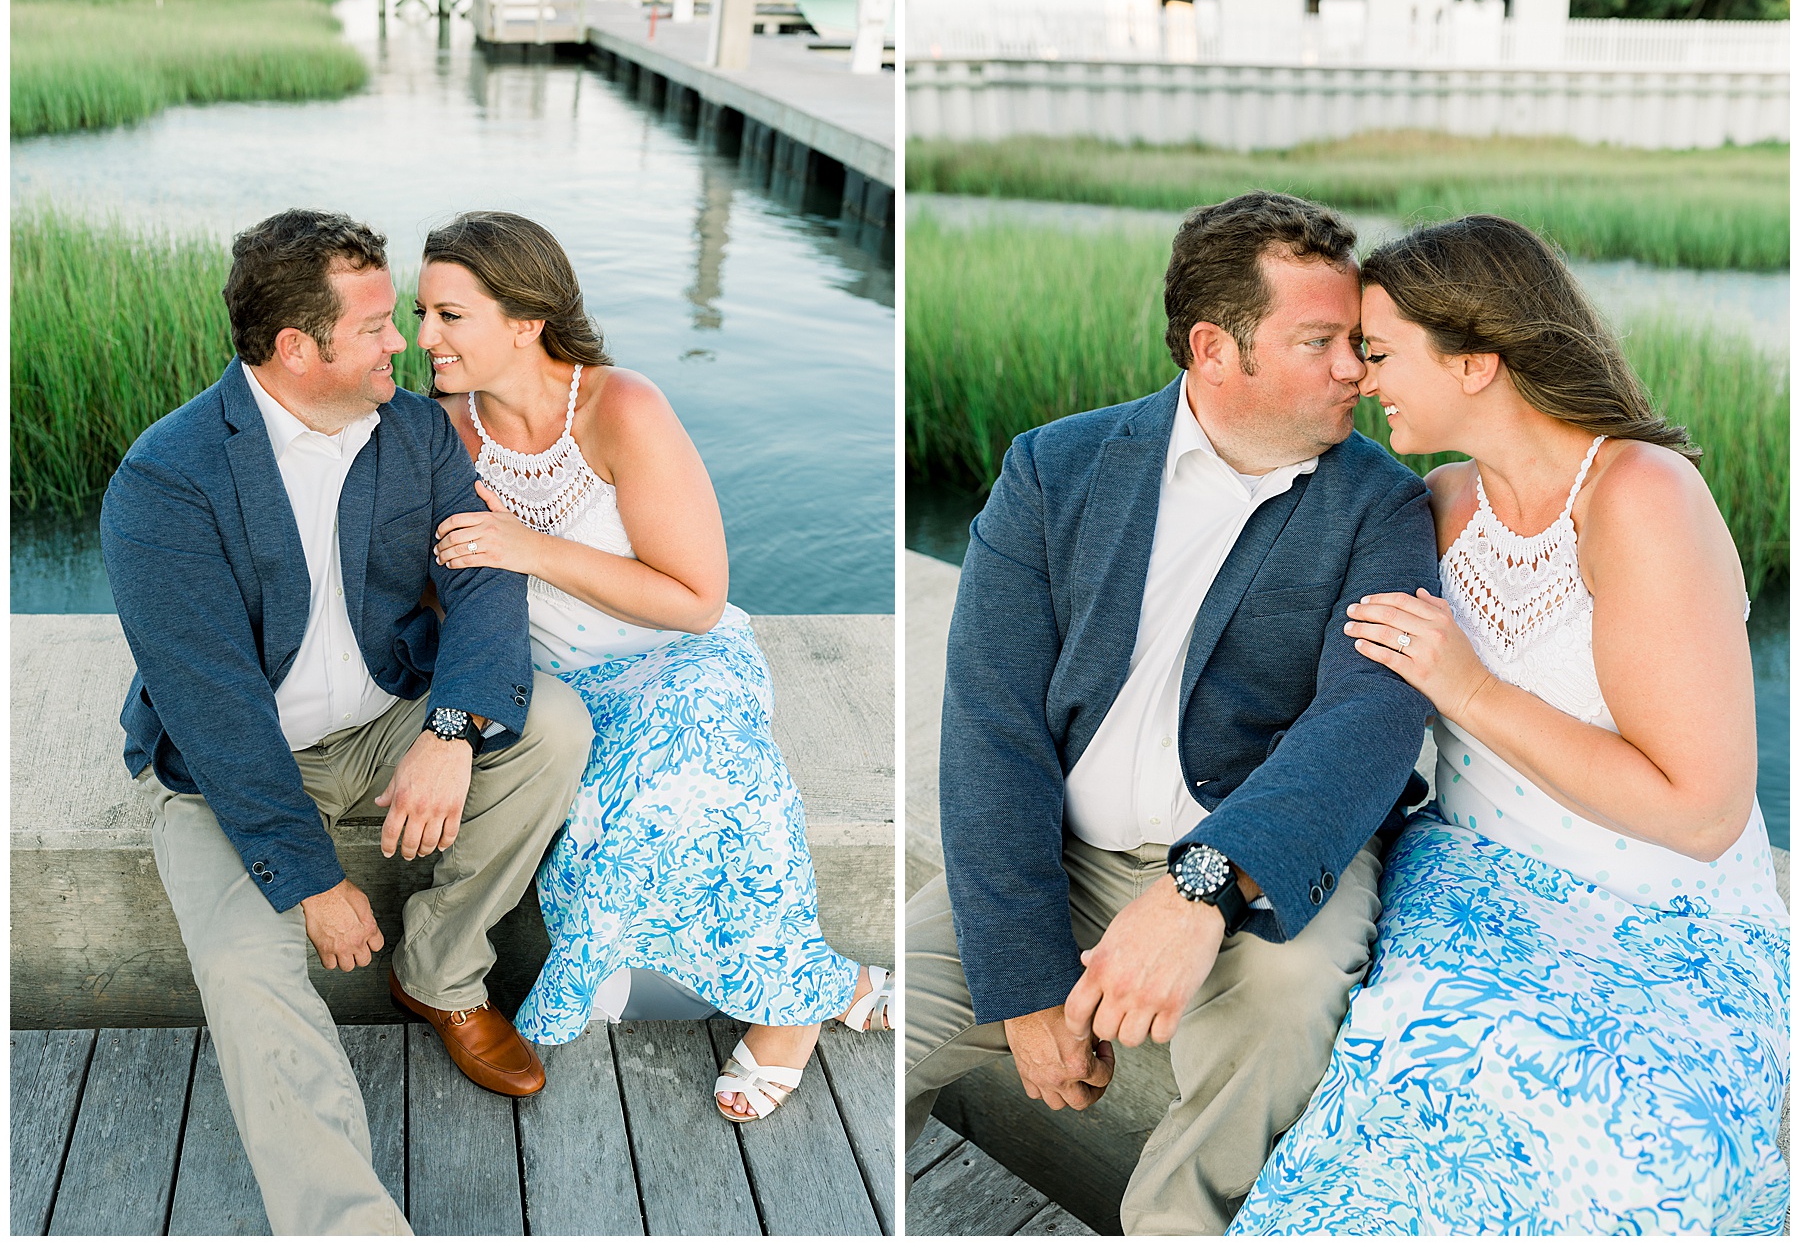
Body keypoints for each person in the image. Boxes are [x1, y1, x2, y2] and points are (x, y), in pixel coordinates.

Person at [1230, 216, 1789, 1235]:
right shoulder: (1436, 507)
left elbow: (1703, 811)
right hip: (1478, 891)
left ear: (1479, 358)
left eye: (1383, 349)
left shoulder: (1638, 497)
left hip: (1668, 920)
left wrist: (1473, 691)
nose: (1360, 373)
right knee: (1396, 1127)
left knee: (1632, 1154)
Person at [905, 191, 1442, 1233]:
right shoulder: (1053, 470)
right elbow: (991, 731)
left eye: (1359, 344)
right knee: (875, 1033)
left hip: (1263, 869)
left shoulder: (1383, 504)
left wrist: (1204, 885)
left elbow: (1368, 720)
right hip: (1060, 863)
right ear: (1216, 348)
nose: (1354, 371)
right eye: (1320, 341)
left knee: (1287, 1009)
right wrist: (1024, 989)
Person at [99, 209, 595, 1234]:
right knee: (247, 971)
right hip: (220, 769)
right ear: (297, 347)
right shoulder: (167, 480)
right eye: (375, 326)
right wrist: (315, 879)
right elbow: (214, 709)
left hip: (380, 721)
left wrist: (450, 730)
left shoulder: (413, 433)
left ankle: (441, 971)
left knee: (551, 725)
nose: (404, 342)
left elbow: (488, 576)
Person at [412, 210, 892, 1123]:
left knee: (695, 770)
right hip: (551, 685)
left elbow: (696, 597)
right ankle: (828, 988)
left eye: (449, 315)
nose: (424, 336)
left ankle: (790, 1016)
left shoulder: (620, 406)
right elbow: (439, 593)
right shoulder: (442, 430)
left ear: (525, 320)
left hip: (676, 657)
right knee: (597, 800)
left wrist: (531, 549)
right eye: (421, 312)